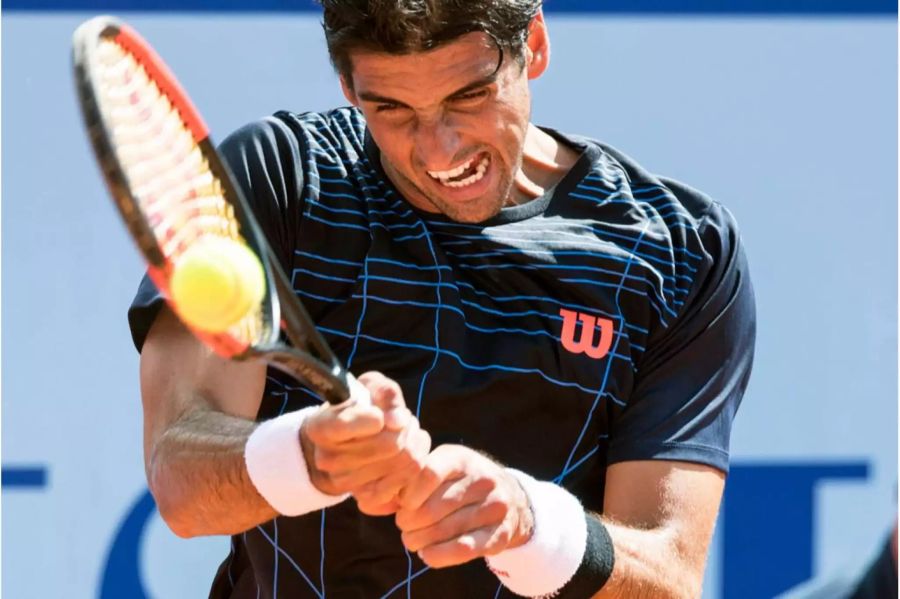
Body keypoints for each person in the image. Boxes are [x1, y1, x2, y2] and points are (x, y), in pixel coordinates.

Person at [128, 1, 756, 597]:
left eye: (469, 96)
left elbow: (668, 579)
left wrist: (531, 525)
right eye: (393, 108)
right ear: (348, 89)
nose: (439, 151)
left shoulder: (678, 251)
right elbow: (179, 477)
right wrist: (308, 455)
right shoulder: (279, 177)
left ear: (532, 44)